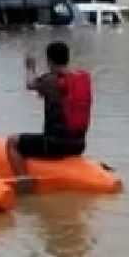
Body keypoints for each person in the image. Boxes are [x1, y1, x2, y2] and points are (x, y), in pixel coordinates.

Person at [6, 41, 92, 192]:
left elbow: (30, 84)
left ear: (49, 60)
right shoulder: (79, 78)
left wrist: (30, 68)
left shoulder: (50, 80)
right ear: (67, 58)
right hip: (79, 145)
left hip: (56, 145)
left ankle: (24, 184)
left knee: (12, 142)